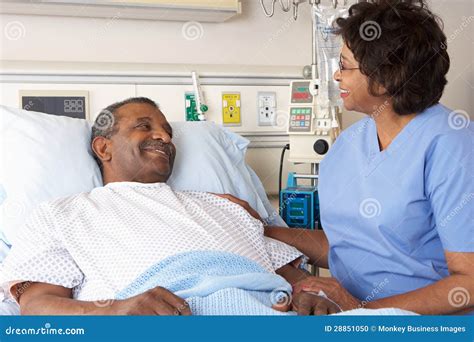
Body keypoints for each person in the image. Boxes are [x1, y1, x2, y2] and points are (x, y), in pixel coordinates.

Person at [0, 97, 340, 315]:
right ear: (104, 148)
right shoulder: (64, 213)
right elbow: (38, 305)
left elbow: (296, 281)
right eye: (144, 127)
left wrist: (309, 297)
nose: (164, 137)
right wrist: (115, 311)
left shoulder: (224, 207)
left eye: (167, 132)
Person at [265, 0, 473, 315]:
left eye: (345, 66)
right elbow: (347, 247)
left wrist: (365, 311)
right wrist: (257, 228)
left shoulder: (451, 144)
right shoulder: (347, 146)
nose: (336, 76)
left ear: (385, 76)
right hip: (352, 314)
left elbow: (468, 281)